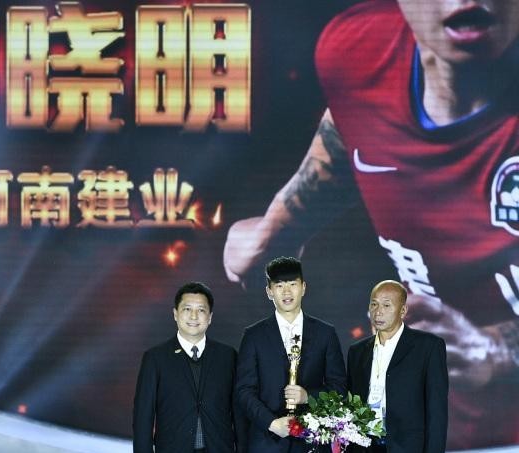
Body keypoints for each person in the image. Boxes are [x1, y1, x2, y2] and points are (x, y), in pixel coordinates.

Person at [224, 0, 519, 447]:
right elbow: (353, 122)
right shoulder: (358, 50)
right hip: (436, 426)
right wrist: (276, 229)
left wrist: (494, 353)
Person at [236, 256, 346, 452]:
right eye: (279, 286)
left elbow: (339, 388)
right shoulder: (253, 335)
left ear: (303, 287)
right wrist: (272, 423)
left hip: (312, 442)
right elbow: (244, 391)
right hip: (267, 442)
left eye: (293, 284)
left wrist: (307, 396)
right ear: (269, 291)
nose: (286, 292)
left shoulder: (325, 333)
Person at [132, 282, 246, 453]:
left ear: (210, 317)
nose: (194, 316)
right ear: (175, 314)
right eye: (187, 309)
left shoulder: (228, 356)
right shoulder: (155, 358)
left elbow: (239, 414)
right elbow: (143, 417)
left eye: (201, 310)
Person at [347, 280, 448, 453]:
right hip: (365, 447)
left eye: (386, 305)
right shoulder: (357, 351)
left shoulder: (428, 347)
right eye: (374, 304)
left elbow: (437, 412)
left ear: (403, 310)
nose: (378, 312)